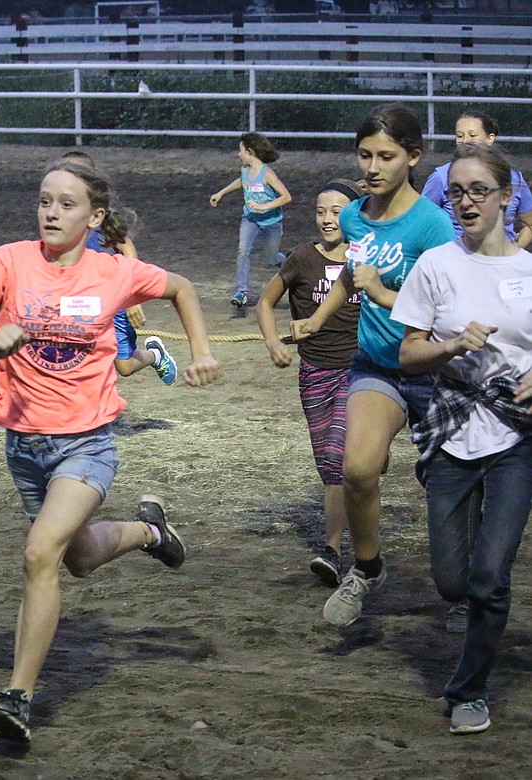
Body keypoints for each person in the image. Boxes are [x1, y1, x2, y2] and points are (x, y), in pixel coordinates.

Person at [0, 158, 220, 744]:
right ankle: (150, 532)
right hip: (23, 445)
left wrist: (201, 351)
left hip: (88, 445)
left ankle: (17, 696)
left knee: (39, 554)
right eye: (45, 200)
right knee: (76, 558)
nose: (51, 212)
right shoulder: (8, 261)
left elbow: (181, 288)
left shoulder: (115, 272)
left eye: (67, 204)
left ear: (94, 217)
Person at [297, 103, 456, 627]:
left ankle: (470, 582)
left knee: (449, 487)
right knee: (357, 468)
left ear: (412, 157)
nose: (372, 166)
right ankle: (367, 568)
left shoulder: (432, 225)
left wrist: (384, 294)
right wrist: (319, 320)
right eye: (364, 155)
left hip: (434, 370)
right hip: (375, 367)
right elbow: (350, 275)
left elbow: (446, 304)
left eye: (386, 156)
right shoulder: (352, 215)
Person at [393, 142, 532, 735]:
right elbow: (408, 353)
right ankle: (465, 607)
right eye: (457, 191)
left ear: (507, 197)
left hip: (517, 439)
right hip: (450, 432)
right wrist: (450, 345)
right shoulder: (436, 265)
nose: (467, 201)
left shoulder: (529, 272)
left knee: (490, 576)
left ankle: (468, 691)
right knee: (453, 579)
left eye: (480, 191)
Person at [254, 180, 362, 586]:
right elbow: (265, 301)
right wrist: (271, 342)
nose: (328, 218)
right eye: (321, 210)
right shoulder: (301, 257)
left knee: (338, 457)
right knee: (328, 464)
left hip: (360, 371)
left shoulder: (367, 259)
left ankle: (332, 549)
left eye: (337, 211)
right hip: (314, 372)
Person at [58, 151, 177, 386]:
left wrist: (130, 296)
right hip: (78, 302)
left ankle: (155, 355)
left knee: (124, 366)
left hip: (112, 301)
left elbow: (129, 252)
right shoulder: (56, 219)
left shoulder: (103, 220)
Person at [420, 110, 532, 249]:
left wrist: (513, 252)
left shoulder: (513, 177)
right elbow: (420, 220)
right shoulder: (440, 177)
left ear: (490, 138)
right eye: (460, 136)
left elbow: (529, 224)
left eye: (472, 135)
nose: (465, 141)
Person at [209, 132, 292, 316]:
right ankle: (242, 291)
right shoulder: (245, 171)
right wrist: (221, 193)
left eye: (241, 151)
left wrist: (264, 206)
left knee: (271, 258)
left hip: (271, 223)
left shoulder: (267, 173)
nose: (239, 155)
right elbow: (242, 182)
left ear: (250, 151)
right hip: (250, 220)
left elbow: (286, 197)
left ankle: (292, 265)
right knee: (243, 250)